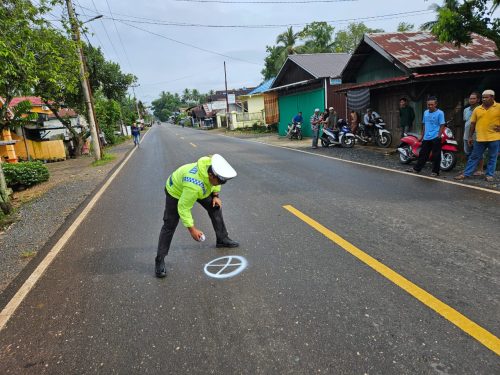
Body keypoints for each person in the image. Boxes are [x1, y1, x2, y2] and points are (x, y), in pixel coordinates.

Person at [155, 154, 239, 278]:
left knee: (215, 208)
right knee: (170, 225)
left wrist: (216, 195)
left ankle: (222, 239)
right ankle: (159, 260)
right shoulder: (193, 185)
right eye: (221, 181)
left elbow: (216, 183)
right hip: (176, 191)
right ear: (210, 175)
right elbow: (183, 207)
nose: (222, 183)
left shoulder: (212, 166)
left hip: (203, 187)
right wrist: (192, 229)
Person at [455, 90, 500, 183]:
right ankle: (466, 174)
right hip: (479, 138)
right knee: (474, 156)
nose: (484, 99)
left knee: (492, 157)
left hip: (494, 138)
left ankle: (489, 175)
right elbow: (472, 124)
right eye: (483, 97)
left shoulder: (499, 107)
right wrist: (470, 136)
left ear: (492, 97)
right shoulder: (477, 109)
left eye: (486, 97)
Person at [407, 97, 445, 177]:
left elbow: (442, 125)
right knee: (423, 154)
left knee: (436, 155)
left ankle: (435, 172)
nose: (430, 106)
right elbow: (424, 124)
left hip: (435, 137)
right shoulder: (425, 112)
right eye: (428, 104)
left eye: (432, 104)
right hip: (426, 137)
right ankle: (417, 169)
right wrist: (422, 135)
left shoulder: (440, 113)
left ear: (435, 104)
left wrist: (438, 136)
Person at [462, 92, 484, 175]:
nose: (471, 100)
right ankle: (470, 169)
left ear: (478, 100)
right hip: (466, 135)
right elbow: (467, 122)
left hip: (477, 135)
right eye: (470, 98)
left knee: (478, 152)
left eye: (473, 98)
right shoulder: (466, 110)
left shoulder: (481, 109)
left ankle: (480, 170)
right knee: (468, 152)